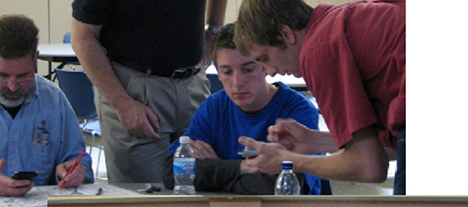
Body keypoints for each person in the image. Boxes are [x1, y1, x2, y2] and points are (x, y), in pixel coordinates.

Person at [234, 0, 405, 195]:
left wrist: (289, 161)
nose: (270, 72)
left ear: (286, 34)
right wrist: (314, 141)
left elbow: (369, 167)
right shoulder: (341, 22)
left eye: (265, 58)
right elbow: (385, 151)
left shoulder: (318, 49)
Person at [71, 0, 227, 184]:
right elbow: (83, 37)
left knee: (201, 188)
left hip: (192, 81)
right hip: (134, 89)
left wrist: (214, 30)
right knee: (144, 199)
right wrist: (122, 104)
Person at [162, 22, 321, 195]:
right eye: (227, 72)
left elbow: (281, 186)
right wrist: (241, 167)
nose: (237, 83)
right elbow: (173, 173)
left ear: (265, 66)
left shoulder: (298, 110)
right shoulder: (213, 107)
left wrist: (215, 168)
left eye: (248, 70)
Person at [0, 14, 93, 197]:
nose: (12, 86)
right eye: (1, 76)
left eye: (23, 76)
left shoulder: (52, 98)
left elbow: (78, 158)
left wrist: (75, 171)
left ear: (36, 59)